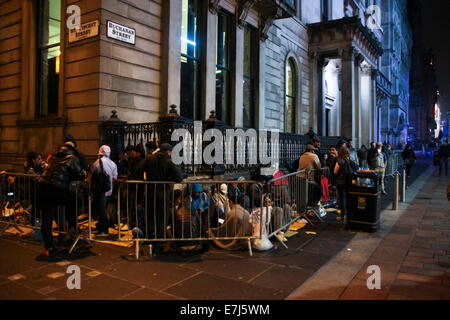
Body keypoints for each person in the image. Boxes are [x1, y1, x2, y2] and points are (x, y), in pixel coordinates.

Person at [38, 141, 86, 256]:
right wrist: (83, 174)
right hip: (56, 189)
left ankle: (48, 247)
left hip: (42, 188)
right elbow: (78, 174)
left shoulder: (54, 157)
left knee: (47, 219)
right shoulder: (71, 158)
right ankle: (72, 225)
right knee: (73, 199)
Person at [140, 143, 183, 255]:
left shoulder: (149, 159)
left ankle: (149, 240)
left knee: (149, 217)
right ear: (168, 151)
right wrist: (168, 178)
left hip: (149, 193)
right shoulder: (168, 162)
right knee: (161, 219)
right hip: (162, 194)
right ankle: (158, 245)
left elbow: (137, 171)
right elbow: (179, 178)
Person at [89, 145, 118, 236]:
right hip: (108, 190)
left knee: (101, 211)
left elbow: (91, 175)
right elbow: (115, 177)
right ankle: (101, 227)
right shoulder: (113, 164)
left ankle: (104, 230)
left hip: (99, 191)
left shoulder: (96, 163)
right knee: (103, 210)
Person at [333, 145, 358, 221]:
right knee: (348, 198)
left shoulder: (340, 161)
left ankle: (342, 216)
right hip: (350, 182)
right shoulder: (351, 161)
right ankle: (350, 214)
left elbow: (335, 171)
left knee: (342, 199)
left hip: (341, 182)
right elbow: (356, 169)